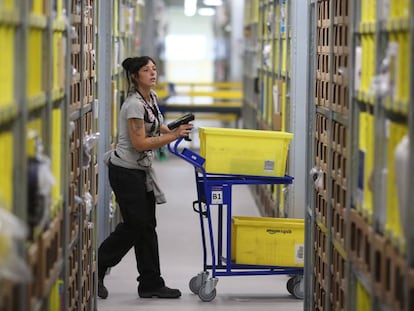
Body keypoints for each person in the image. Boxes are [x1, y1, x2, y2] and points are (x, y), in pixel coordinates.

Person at [97, 56, 193, 299]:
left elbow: (156, 126)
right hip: (125, 171)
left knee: (147, 226)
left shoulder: (150, 99)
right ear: (134, 76)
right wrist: (173, 137)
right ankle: (98, 263)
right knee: (135, 224)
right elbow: (140, 143)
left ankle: (150, 282)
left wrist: (174, 129)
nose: (152, 73)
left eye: (154, 69)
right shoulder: (133, 105)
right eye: (146, 70)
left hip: (141, 172)